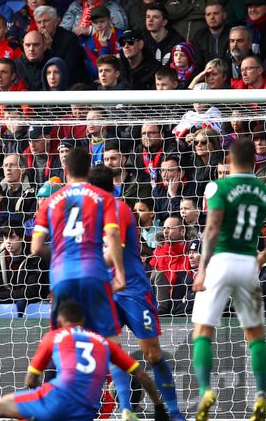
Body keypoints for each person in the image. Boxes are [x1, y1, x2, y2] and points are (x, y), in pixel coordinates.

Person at [0, 300, 170, 421]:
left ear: (59, 318)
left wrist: (35, 398)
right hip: (88, 411)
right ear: (83, 319)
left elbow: (30, 379)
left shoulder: (55, 336)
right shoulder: (104, 342)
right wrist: (159, 407)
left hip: (56, 399)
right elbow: (142, 376)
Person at [192, 138, 266, 421]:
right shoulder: (265, 191)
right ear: (254, 161)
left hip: (221, 262)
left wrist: (202, 269)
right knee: (255, 336)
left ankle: (206, 390)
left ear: (229, 159)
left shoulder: (219, 187)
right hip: (249, 264)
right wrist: (262, 257)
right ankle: (260, 396)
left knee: (203, 331)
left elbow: (211, 229)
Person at [89, 165, 186, 421]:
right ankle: (126, 410)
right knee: (113, 351)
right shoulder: (90, 215)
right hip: (107, 290)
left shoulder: (119, 210)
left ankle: (174, 411)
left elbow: (114, 252)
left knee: (153, 354)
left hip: (132, 289)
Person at [31, 147, 125, 338]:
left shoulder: (50, 201)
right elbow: (113, 234)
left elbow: (36, 247)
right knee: (107, 341)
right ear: (88, 169)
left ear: (67, 169)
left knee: (60, 340)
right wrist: (120, 273)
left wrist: (59, 256)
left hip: (61, 276)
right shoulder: (103, 197)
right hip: (94, 273)